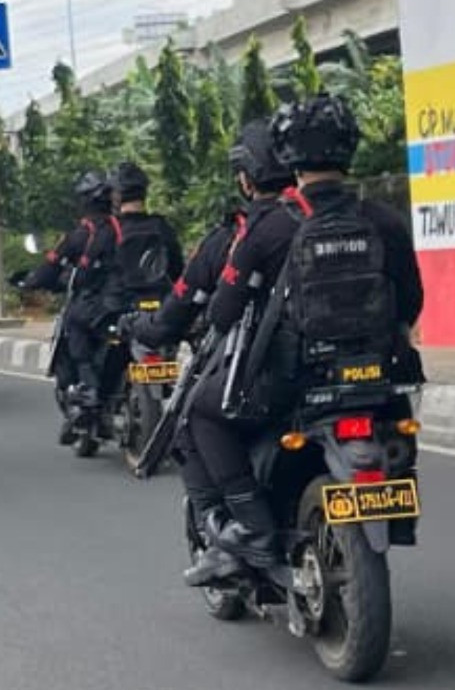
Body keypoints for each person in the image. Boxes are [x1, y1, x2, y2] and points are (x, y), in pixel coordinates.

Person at [182, 94, 423, 585]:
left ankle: (252, 529)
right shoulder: (383, 220)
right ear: (349, 148)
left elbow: (225, 311)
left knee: (200, 415)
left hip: (292, 381)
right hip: (378, 378)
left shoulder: (268, 227)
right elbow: (412, 301)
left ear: (286, 155)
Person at [124, 120, 282, 353]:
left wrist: (141, 327)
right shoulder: (332, 220)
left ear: (246, 181)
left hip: (264, 372)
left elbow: (193, 310)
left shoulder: (236, 236)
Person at [21, 170, 121, 435]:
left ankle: (88, 392)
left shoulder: (83, 234)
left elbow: (50, 266)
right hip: (131, 305)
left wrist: (31, 281)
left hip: (96, 307)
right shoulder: (127, 228)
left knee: (74, 326)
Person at [86, 162, 185, 414]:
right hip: (161, 305)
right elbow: (177, 267)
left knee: (96, 339)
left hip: (121, 306)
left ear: (116, 196)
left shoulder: (111, 229)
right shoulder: (160, 226)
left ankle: (97, 398)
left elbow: (92, 268)